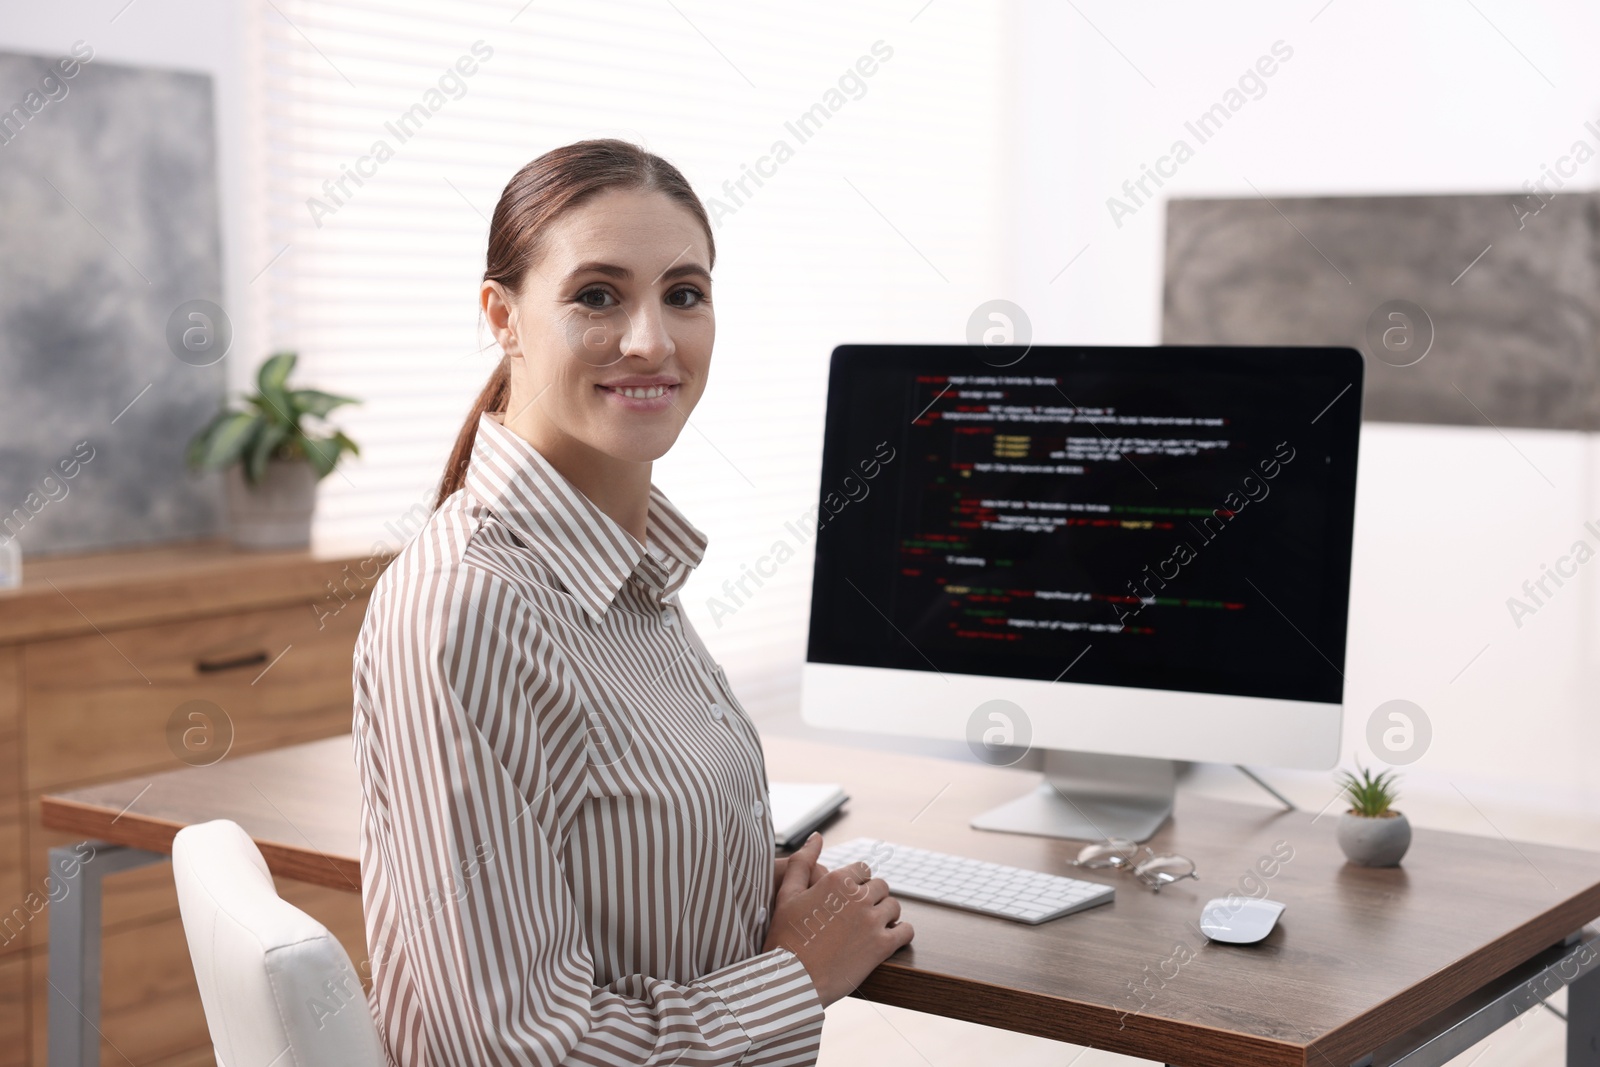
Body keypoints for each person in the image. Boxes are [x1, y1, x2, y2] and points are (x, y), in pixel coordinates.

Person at [351, 138, 913, 1067]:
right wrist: (797, 971)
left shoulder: (628, 572)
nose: (652, 339)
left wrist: (733, 891)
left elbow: (606, 853)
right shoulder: (467, 607)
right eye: (597, 295)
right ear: (504, 315)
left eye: (684, 293)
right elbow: (517, 1052)